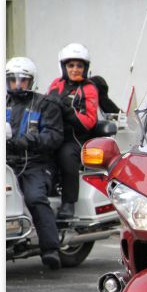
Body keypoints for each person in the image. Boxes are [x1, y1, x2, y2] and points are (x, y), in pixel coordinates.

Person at [5, 57, 64, 269]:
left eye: (23, 80)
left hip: (36, 163)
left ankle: (50, 249)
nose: (18, 85)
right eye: (13, 80)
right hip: (7, 162)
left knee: (35, 197)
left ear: (33, 81)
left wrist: (26, 141)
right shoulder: (2, 103)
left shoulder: (44, 103)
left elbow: (54, 136)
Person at [47, 43, 99, 219]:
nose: (75, 69)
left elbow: (89, 122)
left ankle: (69, 203)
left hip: (75, 138)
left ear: (85, 68)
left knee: (66, 154)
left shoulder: (89, 88)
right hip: (54, 132)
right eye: (71, 65)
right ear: (64, 67)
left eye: (79, 65)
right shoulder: (57, 84)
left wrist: (67, 110)